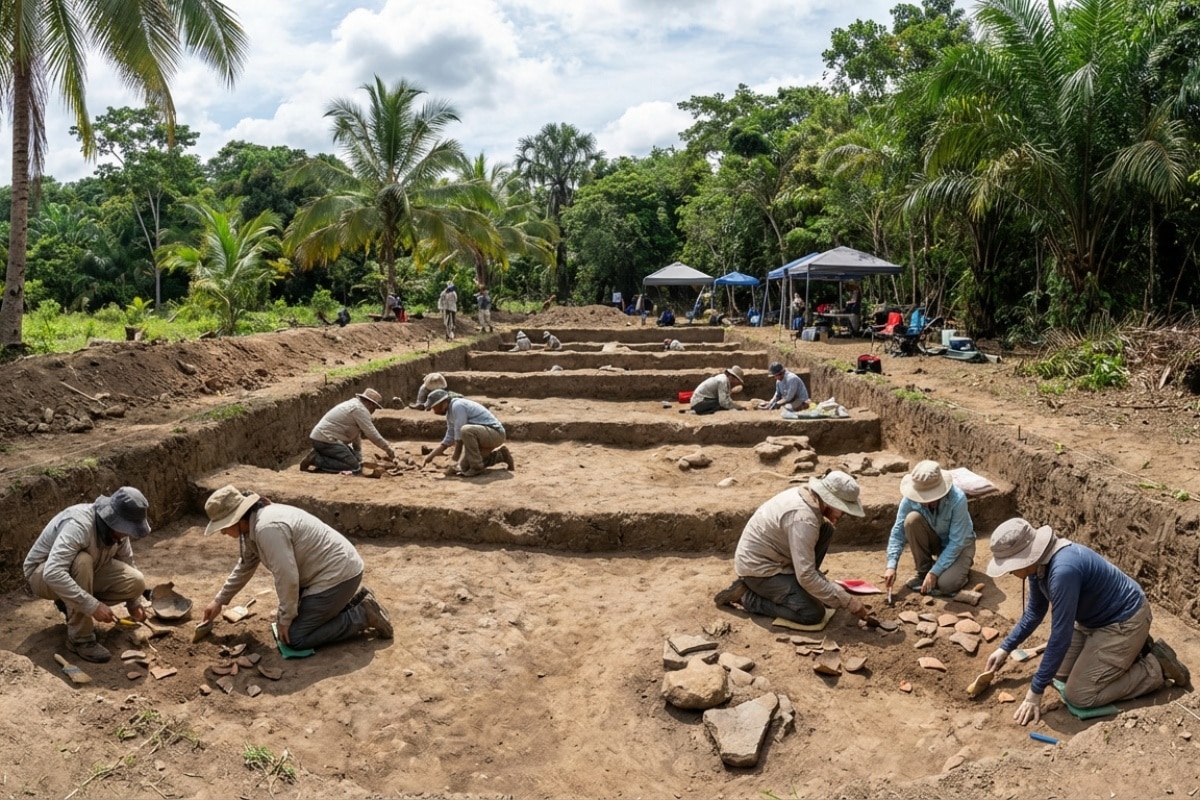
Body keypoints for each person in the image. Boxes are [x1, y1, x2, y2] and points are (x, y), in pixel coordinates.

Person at [984, 518, 1191, 725]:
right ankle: (1130, 652)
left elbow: (1060, 636)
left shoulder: (1063, 571)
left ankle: (1156, 667)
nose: (1009, 572)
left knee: (1080, 695)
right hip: (1092, 622)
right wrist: (1005, 648)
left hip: (1124, 621)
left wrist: (1034, 693)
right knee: (1057, 674)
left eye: (1010, 565)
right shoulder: (1038, 567)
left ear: (1025, 557)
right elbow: (1034, 613)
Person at [200, 485, 393, 649]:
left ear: (236, 518)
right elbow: (245, 566)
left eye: (223, 526)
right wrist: (219, 601)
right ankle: (355, 602)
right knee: (288, 616)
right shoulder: (254, 525)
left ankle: (362, 615)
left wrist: (286, 619)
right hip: (330, 573)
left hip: (338, 576)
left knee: (294, 637)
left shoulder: (267, 529)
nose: (223, 532)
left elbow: (287, 577)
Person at [714, 471, 871, 626]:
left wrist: (825, 589)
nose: (842, 516)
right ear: (830, 501)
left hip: (775, 556)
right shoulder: (804, 519)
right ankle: (747, 597)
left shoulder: (808, 498)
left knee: (827, 530)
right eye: (842, 509)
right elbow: (806, 576)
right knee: (813, 613)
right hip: (759, 571)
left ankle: (803, 589)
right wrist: (848, 602)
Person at [24, 487, 153, 662]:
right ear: (114, 520)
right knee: (82, 561)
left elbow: (127, 561)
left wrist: (134, 603)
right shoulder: (79, 525)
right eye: (127, 528)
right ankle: (80, 639)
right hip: (42, 575)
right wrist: (92, 606)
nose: (128, 533)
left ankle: (71, 603)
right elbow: (53, 572)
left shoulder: (118, 533)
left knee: (136, 582)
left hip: (88, 570)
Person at [882, 460, 976, 597]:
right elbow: (898, 532)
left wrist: (935, 572)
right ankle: (924, 571)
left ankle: (961, 568)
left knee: (946, 585)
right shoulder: (910, 498)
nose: (923, 501)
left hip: (961, 546)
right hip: (936, 540)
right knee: (911, 520)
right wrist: (891, 566)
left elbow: (957, 542)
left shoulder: (957, 499)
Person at [422, 389, 514, 477]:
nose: (434, 411)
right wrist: (430, 457)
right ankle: (500, 455)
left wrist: (453, 463)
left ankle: (477, 468)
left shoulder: (458, 406)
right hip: (483, 435)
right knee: (464, 467)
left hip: (495, 433)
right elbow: (448, 439)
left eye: (434, 407)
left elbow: (459, 440)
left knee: (466, 430)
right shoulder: (450, 413)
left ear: (442, 403)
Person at [300, 389, 395, 474]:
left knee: (356, 460)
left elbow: (356, 432)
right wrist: (388, 449)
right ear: (371, 404)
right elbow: (371, 433)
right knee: (353, 466)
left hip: (323, 439)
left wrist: (357, 452)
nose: (374, 410)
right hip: (326, 440)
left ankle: (321, 455)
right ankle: (316, 459)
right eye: (375, 407)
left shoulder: (355, 405)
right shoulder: (360, 410)